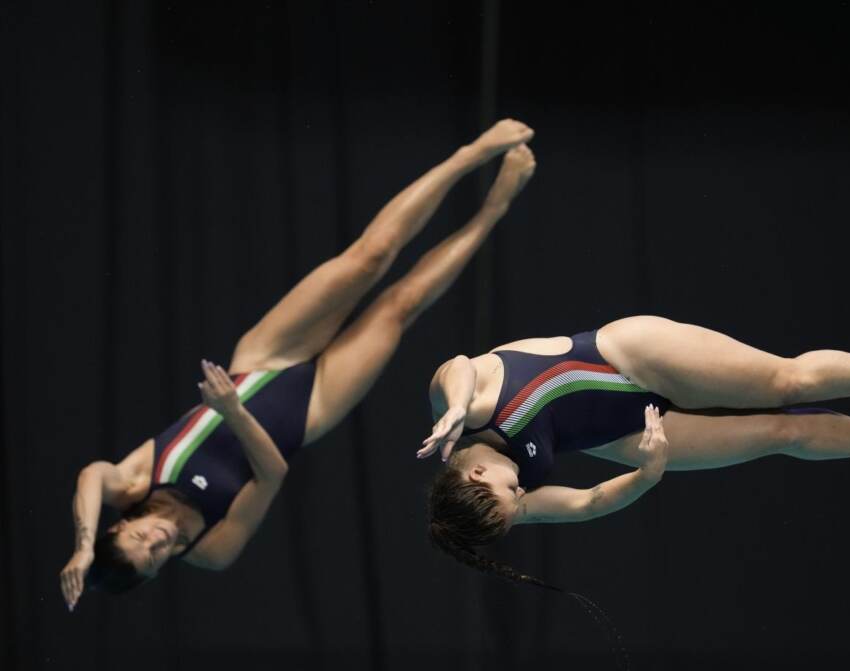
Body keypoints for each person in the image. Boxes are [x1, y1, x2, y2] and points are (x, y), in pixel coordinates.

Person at [59, 120, 538, 610]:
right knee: (401, 305)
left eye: (140, 539)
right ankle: (494, 207)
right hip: (306, 412)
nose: (157, 541)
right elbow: (270, 474)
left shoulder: (134, 484)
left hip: (261, 362)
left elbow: (92, 473)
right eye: (154, 558)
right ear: (160, 571)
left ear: (121, 523)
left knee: (368, 259)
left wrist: (82, 546)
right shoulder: (209, 550)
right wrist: (231, 411)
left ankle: (470, 153)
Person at [420, 318, 850, 582]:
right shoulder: (507, 499)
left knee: (789, 385)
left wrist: (452, 407)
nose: (523, 493)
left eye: (510, 490)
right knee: (782, 435)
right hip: (629, 434)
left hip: (629, 356)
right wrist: (647, 475)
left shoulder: (465, 408)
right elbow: (588, 503)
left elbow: (459, 368)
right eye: (520, 502)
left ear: (471, 471)